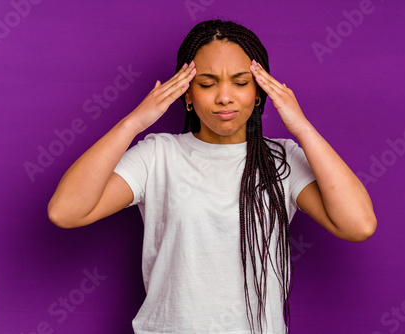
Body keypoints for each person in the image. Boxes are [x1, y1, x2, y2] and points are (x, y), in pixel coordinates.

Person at [48, 20, 376, 334]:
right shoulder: (158, 155)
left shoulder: (281, 159)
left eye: (240, 82)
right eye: (207, 84)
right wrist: (134, 122)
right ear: (187, 95)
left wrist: (302, 127)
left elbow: (358, 224)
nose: (224, 96)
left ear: (259, 92)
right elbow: (66, 212)